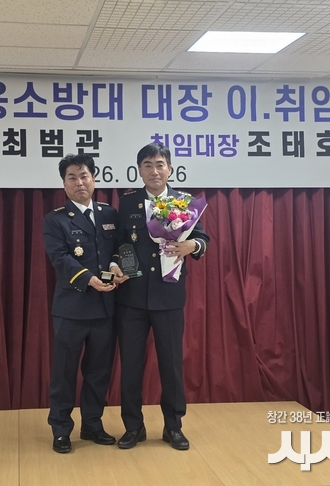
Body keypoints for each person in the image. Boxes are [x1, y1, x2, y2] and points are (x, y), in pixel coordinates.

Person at [114, 142, 209, 450]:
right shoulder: (128, 202)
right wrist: (120, 266)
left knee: (171, 365)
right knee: (131, 366)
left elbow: (203, 239)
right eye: (147, 165)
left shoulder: (185, 202)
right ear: (139, 171)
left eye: (159, 165)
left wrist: (191, 246)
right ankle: (133, 427)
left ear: (170, 169)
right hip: (132, 297)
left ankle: (173, 427)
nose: (154, 171)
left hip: (168, 296)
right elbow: (121, 243)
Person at [43, 153, 127, 453]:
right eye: (72, 177)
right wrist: (89, 279)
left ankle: (92, 424)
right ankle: (61, 429)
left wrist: (116, 265)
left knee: (99, 372)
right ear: (64, 183)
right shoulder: (55, 219)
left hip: (105, 308)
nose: (79, 182)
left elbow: (117, 249)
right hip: (72, 308)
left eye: (84, 176)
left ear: (94, 178)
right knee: (64, 373)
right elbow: (60, 258)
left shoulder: (108, 213)